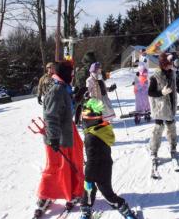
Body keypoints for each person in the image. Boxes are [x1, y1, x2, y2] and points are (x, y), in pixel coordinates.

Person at [34, 61, 84, 217]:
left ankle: (73, 191)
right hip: (58, 136)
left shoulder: (63, 87)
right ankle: (46, 194)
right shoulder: (57, 90)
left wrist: (78, 98)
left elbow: (65, 109)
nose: (72, 76)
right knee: (56, 166)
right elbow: (50, 116)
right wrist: (54, 138)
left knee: (74, 161)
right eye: (71, 73)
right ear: (64, 74)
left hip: (67, 132)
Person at [79, 99, 138, 219]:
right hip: (106, 165)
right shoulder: (101, 130)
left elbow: (92, 160)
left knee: (93, 191)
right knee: (103, 192)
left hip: (96, 169)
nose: (83, 123)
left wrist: (88, 178)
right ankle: (88, 210)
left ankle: (88, 211)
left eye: (84, 121)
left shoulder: (91, 136)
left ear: (91, 121)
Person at [148, 53, 178, 161]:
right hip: (160, 107)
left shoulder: (172, 73)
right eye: (169, 63)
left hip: (170, 106)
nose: (171, 65)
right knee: (158, 128)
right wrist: (162, 92)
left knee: (171, 127)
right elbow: (150, 92)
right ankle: (154, 150)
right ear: (164, 64)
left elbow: (176, 87)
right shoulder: (155, 76)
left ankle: (173, 146)